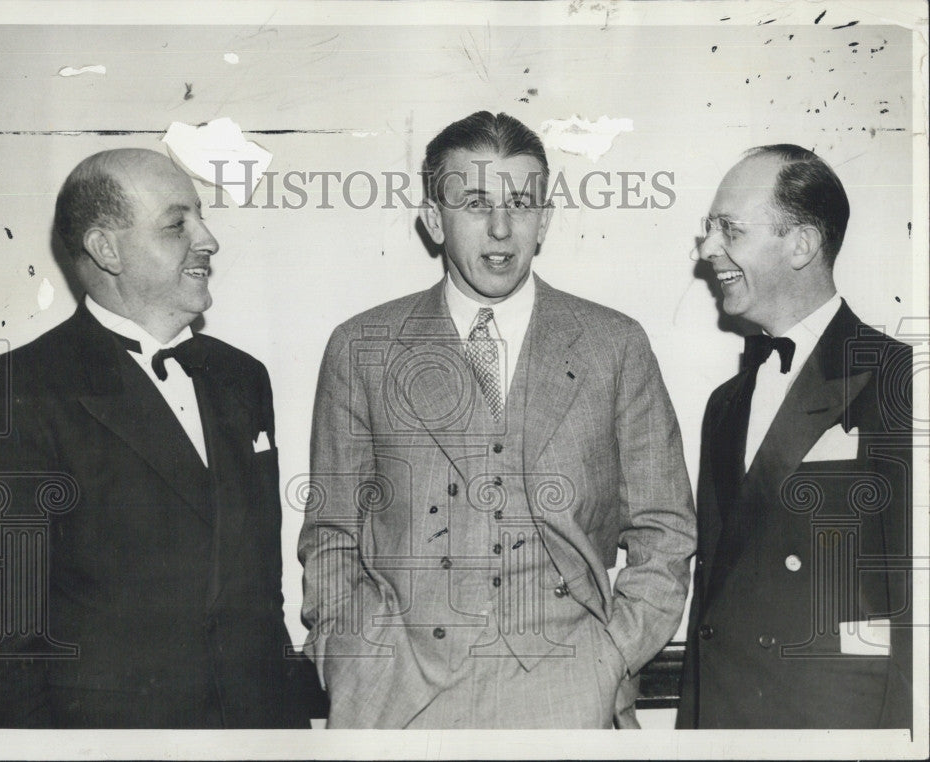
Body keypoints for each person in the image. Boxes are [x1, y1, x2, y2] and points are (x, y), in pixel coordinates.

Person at [298, 111, 696, 728]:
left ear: (546, 220)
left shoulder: (614, 345)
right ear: (434, 219)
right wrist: (352, 659)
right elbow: (331, 536)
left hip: (572, 698)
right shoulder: (361, 347)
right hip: (401, 701)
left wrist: (610, 656)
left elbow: (665, 529)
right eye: (476, 202)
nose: (502, 228)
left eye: (522, 202)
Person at [0, 148, 324, 728]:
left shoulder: (242, 377)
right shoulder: (15, 392)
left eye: (200, 217)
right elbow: (6, 642)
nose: (208, 239)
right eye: (177, 224)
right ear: (107, 250)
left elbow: (260, 592)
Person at [677, 145, 913, 729]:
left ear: (802, 245)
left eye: (729, 228)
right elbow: (713, 595)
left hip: (836, 726)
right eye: (709, 229)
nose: (708, 249)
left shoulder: (901, 381)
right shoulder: (724, 406)